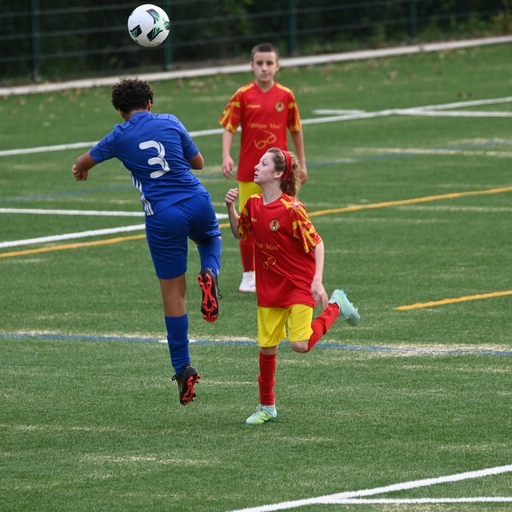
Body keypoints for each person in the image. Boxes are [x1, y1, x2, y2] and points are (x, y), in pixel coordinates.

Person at [71, 78, 222, 406]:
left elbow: (83, 162)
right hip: (196, 199)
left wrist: (82, 169)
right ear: (150, 103)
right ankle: (210, 272)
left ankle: (182, 368)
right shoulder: (170, 121)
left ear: (120, 111)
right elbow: (198, 163)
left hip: (163, 215)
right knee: (210, 237)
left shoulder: (118, 136)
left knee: (173, 294)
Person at [224, 148, 359, 425]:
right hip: (269, 287)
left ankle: (336, 305)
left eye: (263, 163)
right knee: (267, 347)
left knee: (300, 344)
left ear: (277, 173)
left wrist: (317, 280)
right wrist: (230, 208)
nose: (256, 166)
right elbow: (240, 232)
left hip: (298, 283)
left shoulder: (292, 209)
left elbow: (317, 243)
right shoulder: (253, 203)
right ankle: (267, 407)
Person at [219, 42, 307, 293]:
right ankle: (249, 274)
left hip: (281, 173)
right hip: (250, 172)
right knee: (248, 222)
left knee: (285, 220)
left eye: (269, 63)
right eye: (259, 63)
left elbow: (296, 129)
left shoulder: (286, 96)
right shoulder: (243, 95)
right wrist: (226, 155)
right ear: (252, 66)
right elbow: (229, 128)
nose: (264, 68)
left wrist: (302, 163)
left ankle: (283, 268)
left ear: (277, 66)